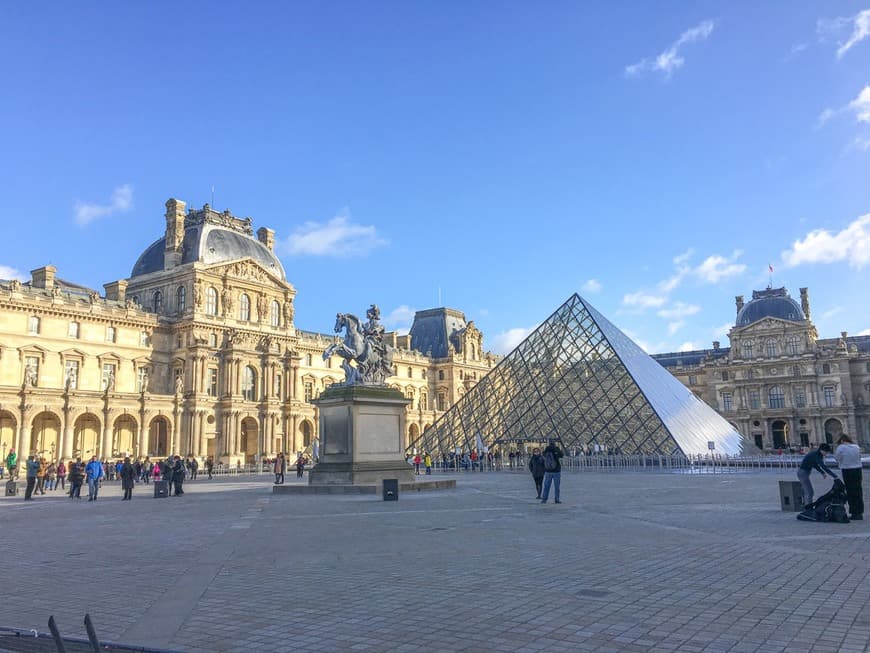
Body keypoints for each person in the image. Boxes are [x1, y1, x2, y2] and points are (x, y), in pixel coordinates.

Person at [797, 443, 836, 508]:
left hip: (804, 472)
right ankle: (808, 509)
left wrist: (822, 473)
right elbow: (823, 466)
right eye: (826, 452)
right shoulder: (816, 455)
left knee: (808, 491)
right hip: (803, 473)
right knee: (809, 492)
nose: (826, 454)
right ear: (822, 450)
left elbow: (815, 465)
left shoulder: (816, 454)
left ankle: (808, 507)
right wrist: (834, 476)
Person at [835, 435, 863, 520]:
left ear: (842, 441)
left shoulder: (841, 447)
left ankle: (854, 513)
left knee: (850, 491)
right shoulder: (856, 447)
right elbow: (859, 457)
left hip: (847, 470)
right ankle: (860, 512)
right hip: (858, 470)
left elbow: (837, 458)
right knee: (858, 490)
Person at [540, 439, 564, 504]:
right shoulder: (556, 449)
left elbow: (543, 457)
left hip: (548, 471)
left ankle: (544, 499)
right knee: (557, 487)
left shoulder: (546, 450)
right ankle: (557, 499)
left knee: (546, 486)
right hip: (556, 470)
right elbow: (562, 455)